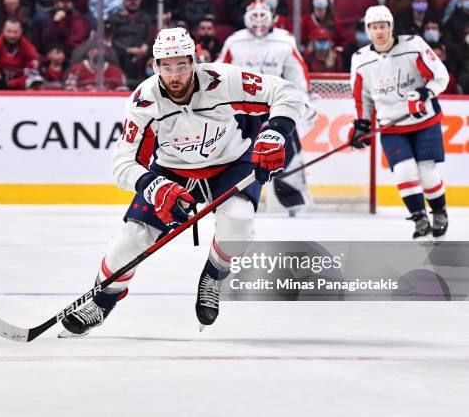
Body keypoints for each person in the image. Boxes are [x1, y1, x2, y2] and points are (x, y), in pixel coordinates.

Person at [58, 27, 304, 337]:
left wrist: (275, 132)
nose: (175, 75)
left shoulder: (225, 80)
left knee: (238, 223)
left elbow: (287, 92)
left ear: (194, 62)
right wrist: (155, 186)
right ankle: (102, 302)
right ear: (155, 66)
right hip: (173, 172)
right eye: (167, 66)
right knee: (129, 240)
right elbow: (122, 163)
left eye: (182, 65)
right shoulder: (144, 102)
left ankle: (214, 274)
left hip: (230, 162)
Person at [348, 5, 450, 240]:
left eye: (383, 26)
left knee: (426, 169)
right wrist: (361, 125)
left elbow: (440, 77)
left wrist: (425, 94)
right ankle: (419, 218)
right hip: (391, 125)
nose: (379, 32)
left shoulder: (413, 45)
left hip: (423, 120)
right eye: (374, 27)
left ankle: (439, 212)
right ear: (368, 30)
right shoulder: (360, 60)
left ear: (391, 27)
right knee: (404, 171)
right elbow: (362, 97)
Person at [218, 0, 312, 215]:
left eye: (263, 15)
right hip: (244, 108)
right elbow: (221, 71)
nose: (259, 21)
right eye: (254, 16)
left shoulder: (285, 42)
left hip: (276, 104)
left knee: (288, 151)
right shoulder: (235, 42)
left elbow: (297, 73)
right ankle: (242, 195)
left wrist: (301, 99)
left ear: (272, 16)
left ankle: (293, 200)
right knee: (240, 151)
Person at [0, 18, 40, 89]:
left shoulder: (30, 49)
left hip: (20, 86)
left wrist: (12, 83)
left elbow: (31, 74)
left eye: (15, 32)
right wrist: (1, 81)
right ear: (3, 31)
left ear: (21, 32)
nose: (12, 35)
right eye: (9, 31)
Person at [62, 40, 128, 91]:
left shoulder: (115, 71)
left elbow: (123, 90)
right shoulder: (76, 69)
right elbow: (69, 89)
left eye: (102, 49)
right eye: (96, 49)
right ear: (89, 52)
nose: (100, 52)